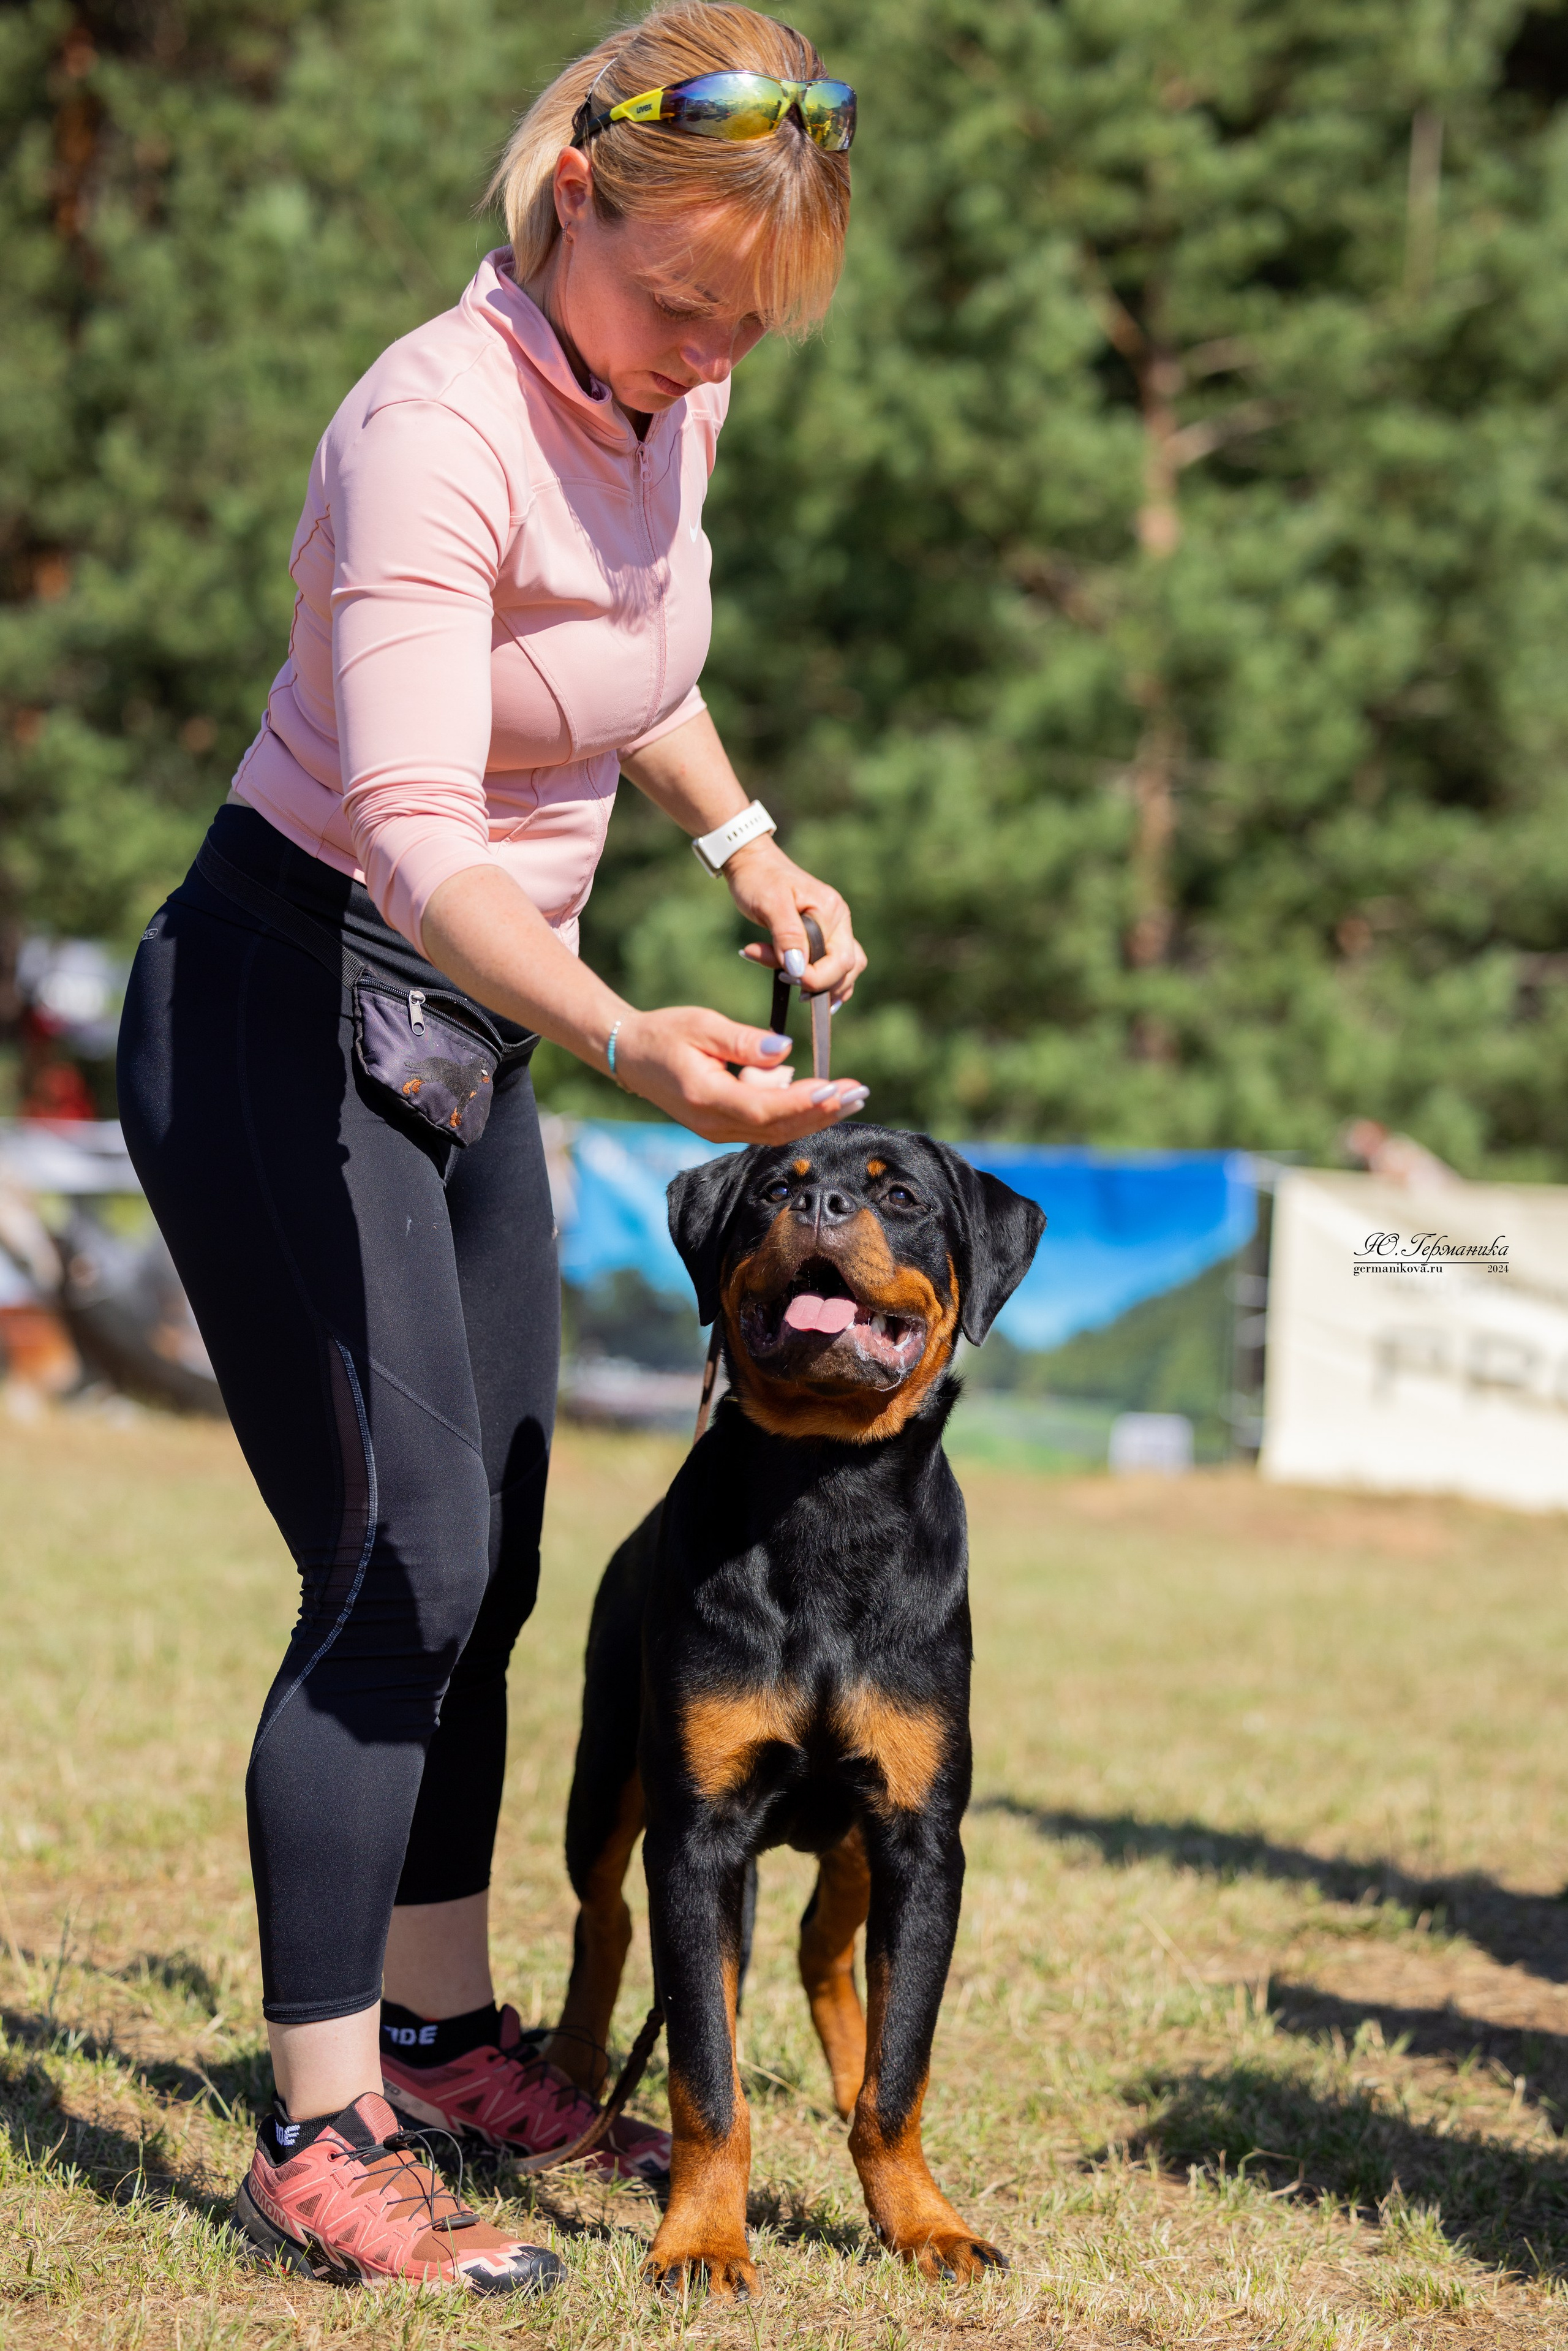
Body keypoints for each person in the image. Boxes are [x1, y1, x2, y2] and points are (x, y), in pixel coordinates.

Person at [117, 1, 865, 2295]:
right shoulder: (430, 425)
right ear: (570, 200)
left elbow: (628, 657)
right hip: (295, 996)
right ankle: (319, 2128)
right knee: (402, 1567)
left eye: (746, 328)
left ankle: (441, 2036)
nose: (702, 361)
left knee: (503, 1552)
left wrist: (742, 841)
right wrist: (624, 1031)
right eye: (680, 303)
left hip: (468, 1028)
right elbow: (424, 835)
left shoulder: (667, 384)